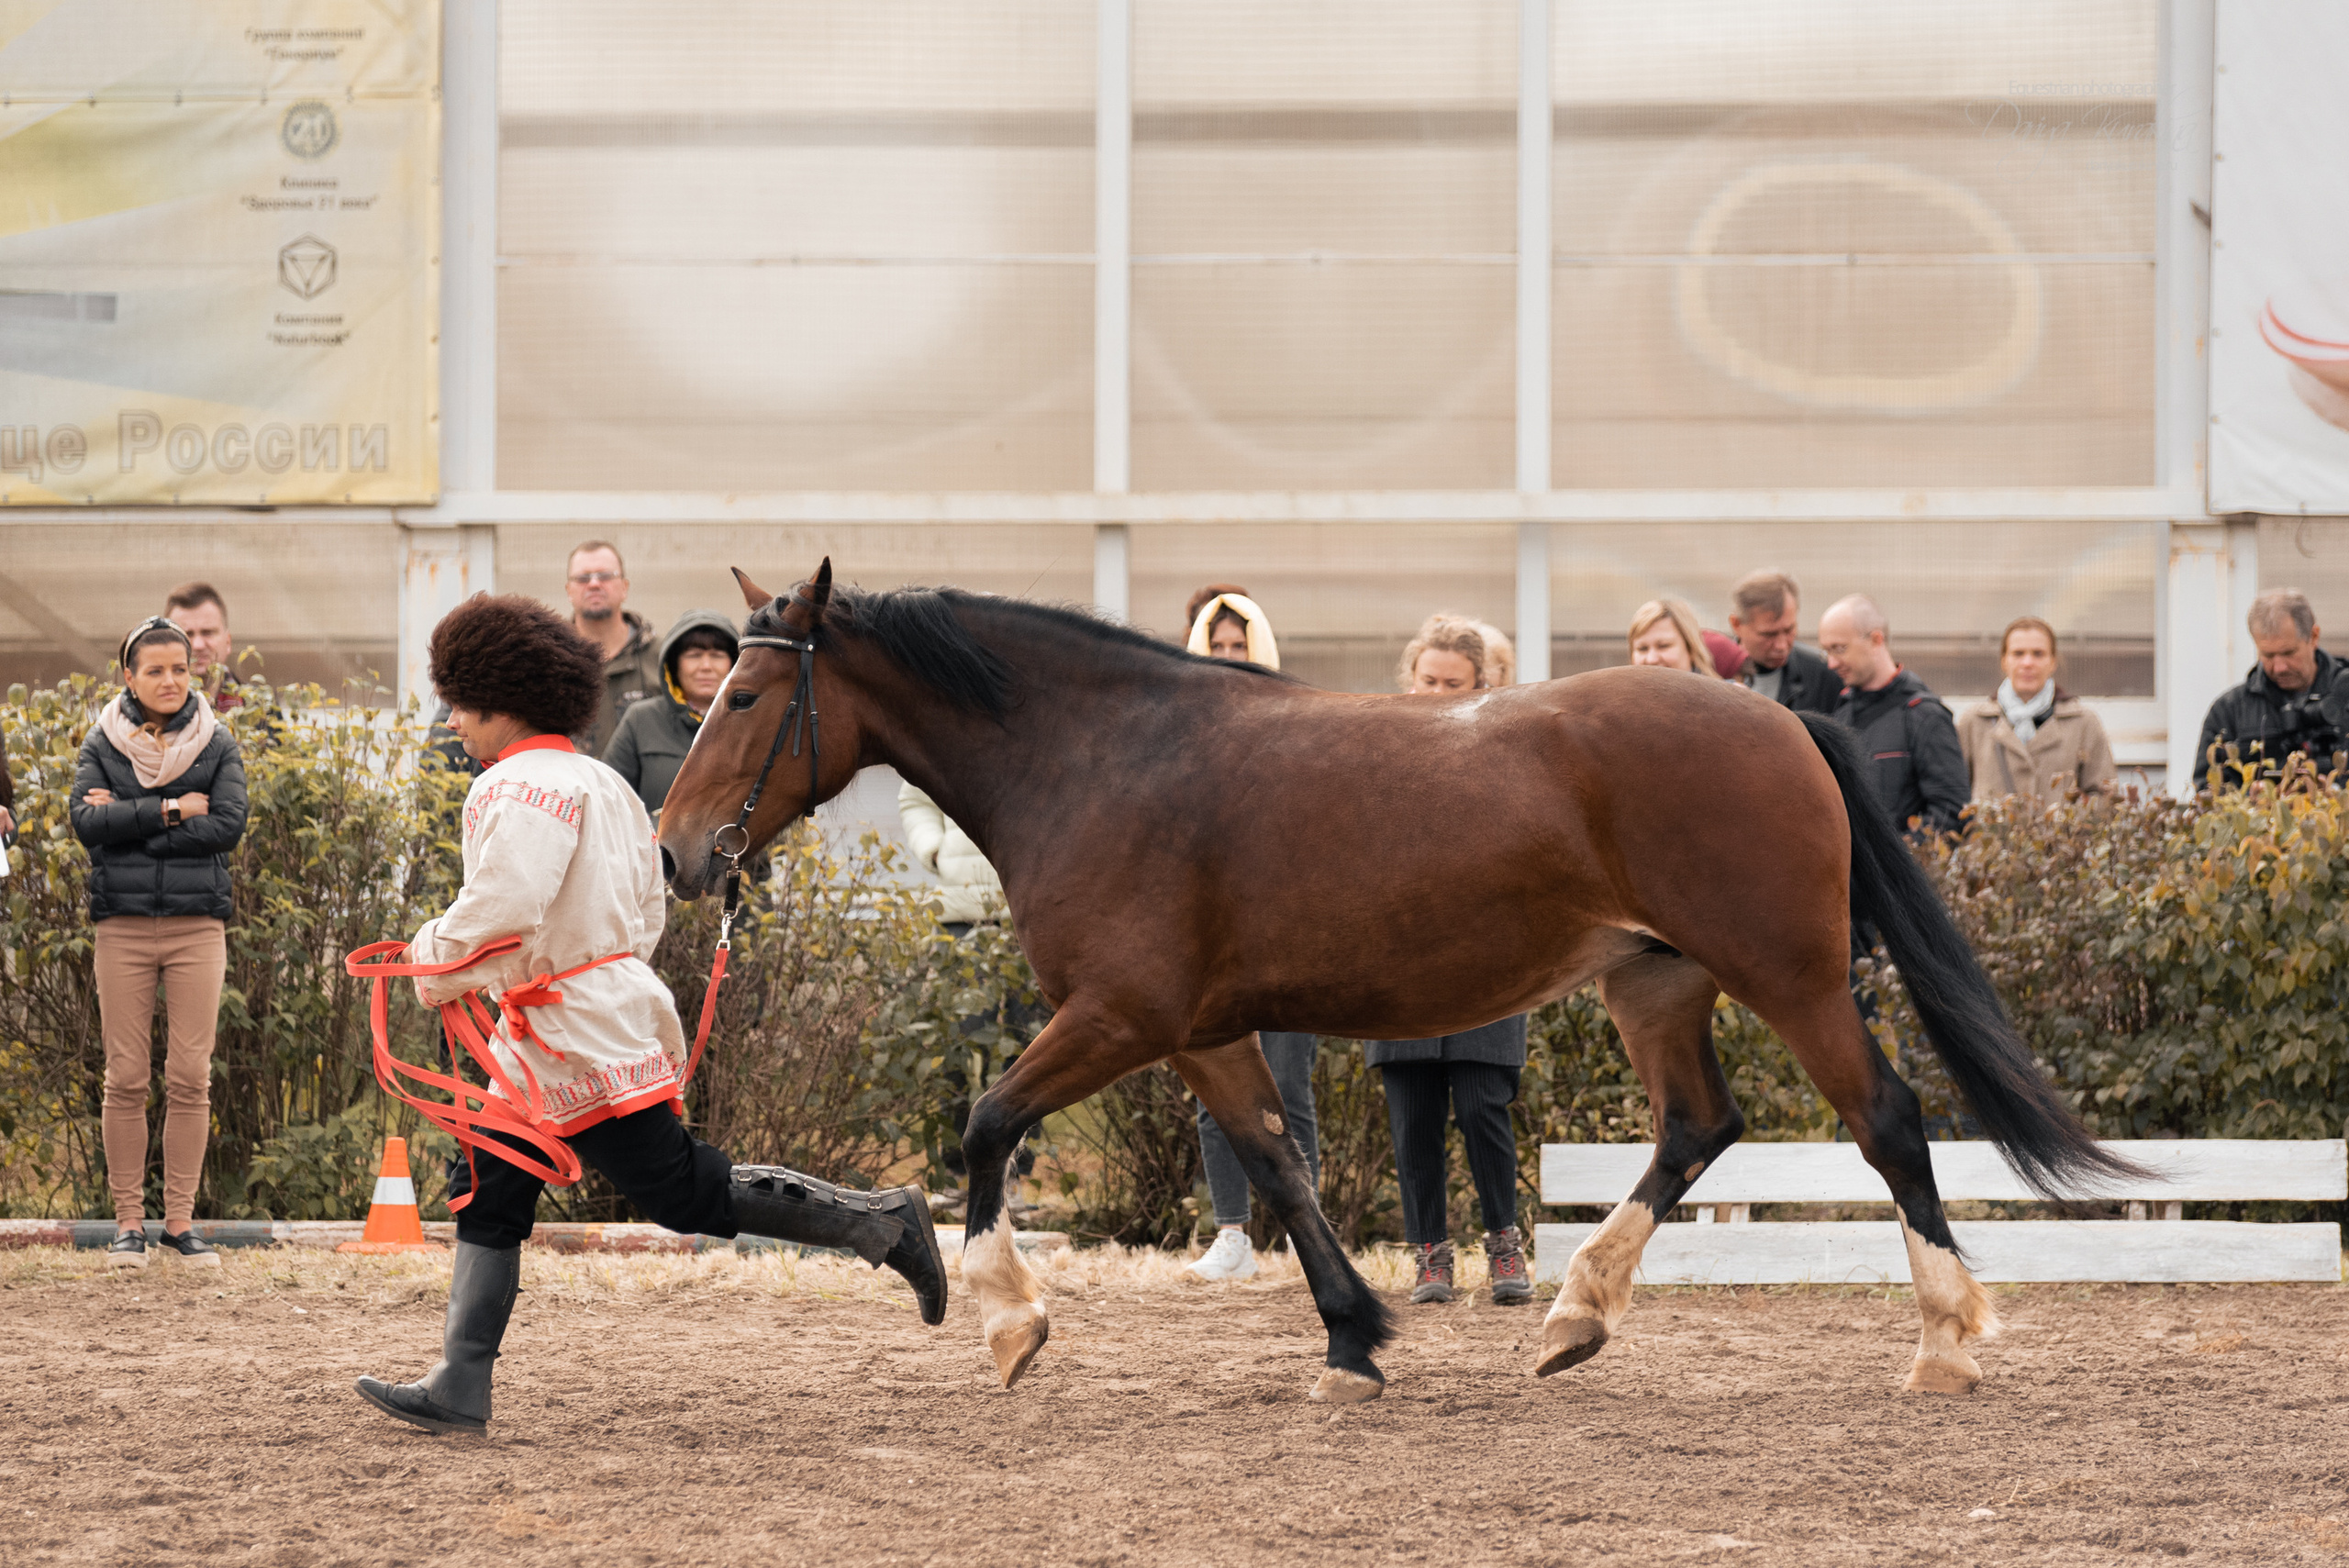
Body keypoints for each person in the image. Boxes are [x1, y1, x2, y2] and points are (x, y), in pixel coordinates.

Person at [355, 594, 945, 1438]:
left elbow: (503, 907)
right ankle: (460, 1383)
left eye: (458, 705)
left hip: (567, 1024)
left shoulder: (509, 785)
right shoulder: (605, 782)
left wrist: (429, 960)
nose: (455, 722)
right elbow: (645, 913)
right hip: (585, 1007)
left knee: (675, 1185)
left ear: (494, 701)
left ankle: (878, 1222)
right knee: (487, 1180)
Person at [71, 616, 250, 1271]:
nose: (171, 679)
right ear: (129, 677)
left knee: (190, 1076)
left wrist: (131, 819)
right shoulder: (102, 739)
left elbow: (227, 825)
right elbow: (88, 823)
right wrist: (175, 808)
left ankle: (178, 1222)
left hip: (197, 924)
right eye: (156, 670)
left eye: (180, 667)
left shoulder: (217, 740)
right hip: (120, 924)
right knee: (124, 1077)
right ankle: (127, 1225)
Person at [1381, 622, 1532, 1307]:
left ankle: (1505, 1244)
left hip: (1487, 960)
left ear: (1482, 687)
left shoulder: (1509, 757)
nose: (1435, 693)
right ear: (1409, 679)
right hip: (1400, 959)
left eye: (1452, 684)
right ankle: (1429, 1255)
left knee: (1482, 1107)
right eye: (1427, 681)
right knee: (1412, 1117)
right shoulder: (1376, 755)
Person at [1177, 585, 1319, 1284]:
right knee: (1215, 1089)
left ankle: (1305, 1232)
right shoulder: (1175, 736)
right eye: (1217, 644)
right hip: (1210, 944)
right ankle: (1231, 1233)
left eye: (1239, 644)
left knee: (1290, 1088)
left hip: (1287, 937)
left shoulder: (1295, 721)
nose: (1228, 656)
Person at [1818, 594, 1967, 838]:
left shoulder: (1924, 716)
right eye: (1827, 651)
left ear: (1877, 639)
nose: (1831, 664)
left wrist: (1895, 861)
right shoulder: (1841, 716)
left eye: (1840, 649)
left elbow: (1952, 813)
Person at [2192, 589, 2347, 791]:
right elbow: (2207, 792)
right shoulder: (2228, 711)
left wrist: (2335, 795)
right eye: (2268, 655)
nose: (2279, 667)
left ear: (2314, 637)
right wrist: (2252, 801)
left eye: (2288, 653)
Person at [1955, 617, 2118, 804]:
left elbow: (2105, 797)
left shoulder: (2083, 723)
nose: (2027, 663)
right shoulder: (1974, 723)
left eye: (2038, 654)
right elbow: (1955, 795)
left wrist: (2065, 825)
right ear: (2004, 661)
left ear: (2053, 661)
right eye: (2018, 653)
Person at [600, 610, 739, 824]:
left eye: (717, 655)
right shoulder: (642, 720)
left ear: (736, 664)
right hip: (655, 854)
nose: (706, 666)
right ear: (674, 665)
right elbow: (607, 800)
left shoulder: (756, 724)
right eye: (693, 655)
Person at [564, 540, 664, 757]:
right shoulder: (550, 661)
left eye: (605, 576)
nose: (593, 584)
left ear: (624, 587)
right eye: (582, 578)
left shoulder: (662, 658)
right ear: (568, 590)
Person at [1729, 570, 1842, 714]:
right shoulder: (1710, 673)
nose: (1781, 646)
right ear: (1736, 624)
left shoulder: (1824, 677)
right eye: (1769, 634)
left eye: (1789, 630)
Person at [163, 582, 246, 713]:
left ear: (228, 642)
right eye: (187, 634)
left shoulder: (261, 709)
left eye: (208, 633)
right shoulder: (146, 713)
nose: (198, 645)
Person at [1398, 613, 1488, 693]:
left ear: (1477, 682)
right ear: (1414, 677)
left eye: (1453, 685)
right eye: (1429, 682)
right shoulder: (1394, 711)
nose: (1438, 692)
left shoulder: (1496, 711)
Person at [1625, 598, 1708, 673]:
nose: (1651, 660)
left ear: (1691, 649)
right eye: (1642, 649)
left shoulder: (1715, 689)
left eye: (1663, 646)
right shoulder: (1619, 688)